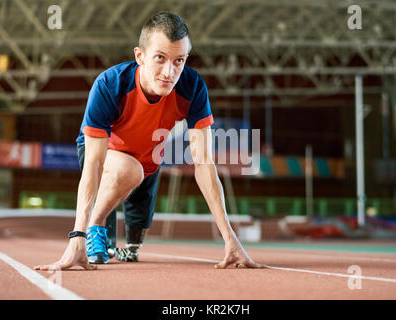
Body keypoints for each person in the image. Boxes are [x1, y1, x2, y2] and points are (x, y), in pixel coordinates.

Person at [34, 11, 264, 271]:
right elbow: (93, 164)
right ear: (139, 56)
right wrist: (78, 236)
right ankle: (96, 225)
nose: (170, 72)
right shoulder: (110, 85)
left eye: (179, 60)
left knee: (137, 233)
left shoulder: (192, 87)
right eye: (160, 58)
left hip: (149, 158)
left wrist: (230, 238)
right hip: (107, 151)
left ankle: (121, 233)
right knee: (128, 170)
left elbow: (204, 164)